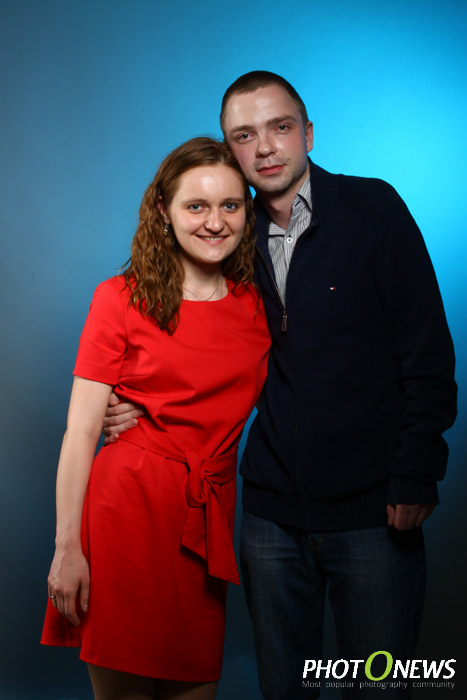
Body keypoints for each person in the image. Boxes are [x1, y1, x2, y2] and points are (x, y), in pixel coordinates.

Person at [104, 73, 457, 699]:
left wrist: (417, 470)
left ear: (308, 134)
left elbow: (427, 351)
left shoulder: (372, 212)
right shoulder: (229, 238)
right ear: (230, 150)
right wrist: (123, 401)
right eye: (245, 135)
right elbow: (187, 339)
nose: (265, 147)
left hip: (374, 511)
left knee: (379, 688)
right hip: (269, 520)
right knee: (285, 690)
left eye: (280, 127)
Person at [41, 136, 271, 700]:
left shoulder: (257, 304)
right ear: (164, 211)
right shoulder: (120, 298)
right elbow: (81, 432)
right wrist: (66, 548)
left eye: (230, 205)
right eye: (196, 206)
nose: (215, 222)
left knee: (196, 685)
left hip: (205, 522)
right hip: (126, 513)